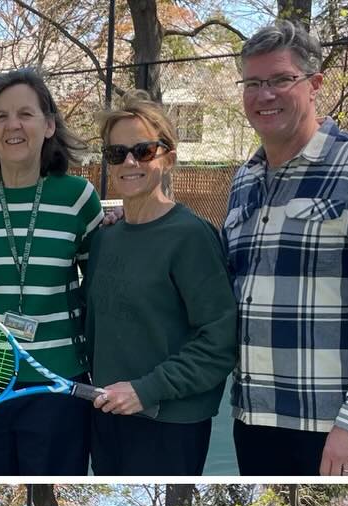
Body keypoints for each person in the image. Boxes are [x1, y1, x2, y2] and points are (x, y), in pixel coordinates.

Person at [224, 21, 348, 478]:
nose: (264, 95)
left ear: (314, 85)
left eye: (279, 80)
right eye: (253, 83)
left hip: (335, 432)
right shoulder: (245, 179)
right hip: (254, 422)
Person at [0, 69, 101, 474]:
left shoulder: (78, 198)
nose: (13, 125)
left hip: (58, 385)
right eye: (0, 116)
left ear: (48, 125)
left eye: (25, 114)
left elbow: (101, 286)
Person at [85, 95, 236, 476]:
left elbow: (219, 342)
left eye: (143, 150)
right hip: (108, 416)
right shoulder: (105, 237)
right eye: (117, 152)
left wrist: (144, 391)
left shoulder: (192, 237)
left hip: (170, 426)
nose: (130, 162)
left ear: (167, 156)